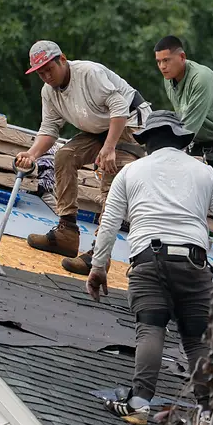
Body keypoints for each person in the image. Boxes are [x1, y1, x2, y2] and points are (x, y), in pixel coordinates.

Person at [86, 110, 213, 425]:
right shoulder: (204, 173)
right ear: (181, 141)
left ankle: (138, 404)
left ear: (147, 142)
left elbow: (108, 224)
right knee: (195, 338)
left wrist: (98, 267)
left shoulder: (130, 172)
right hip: (194, 263)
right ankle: (206, 415)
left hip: (149, 261)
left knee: (150, 328)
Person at [16, 40, 151, 261]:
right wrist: (31, 154)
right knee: (65, 156)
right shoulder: (48, 92)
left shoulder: (88, 73)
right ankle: (66, 233)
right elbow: (49, 128)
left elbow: (119, 107)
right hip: (100, 127)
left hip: (131, 123)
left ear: (62, 59)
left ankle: (99, 255)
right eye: (41, 74)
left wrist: (109, 149)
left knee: (111, 175)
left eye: (49, 69)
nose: (47, 77)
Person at [154, 35, 213, 220]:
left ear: (182, 57)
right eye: (158, 62)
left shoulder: (200, 78)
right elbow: (181, 119)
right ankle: (200, 247)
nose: (162, 67)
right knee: (194, 203)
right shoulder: (169, 79)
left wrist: (162, 157)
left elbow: (188, 128)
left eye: (166, 60)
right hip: (202, 146)